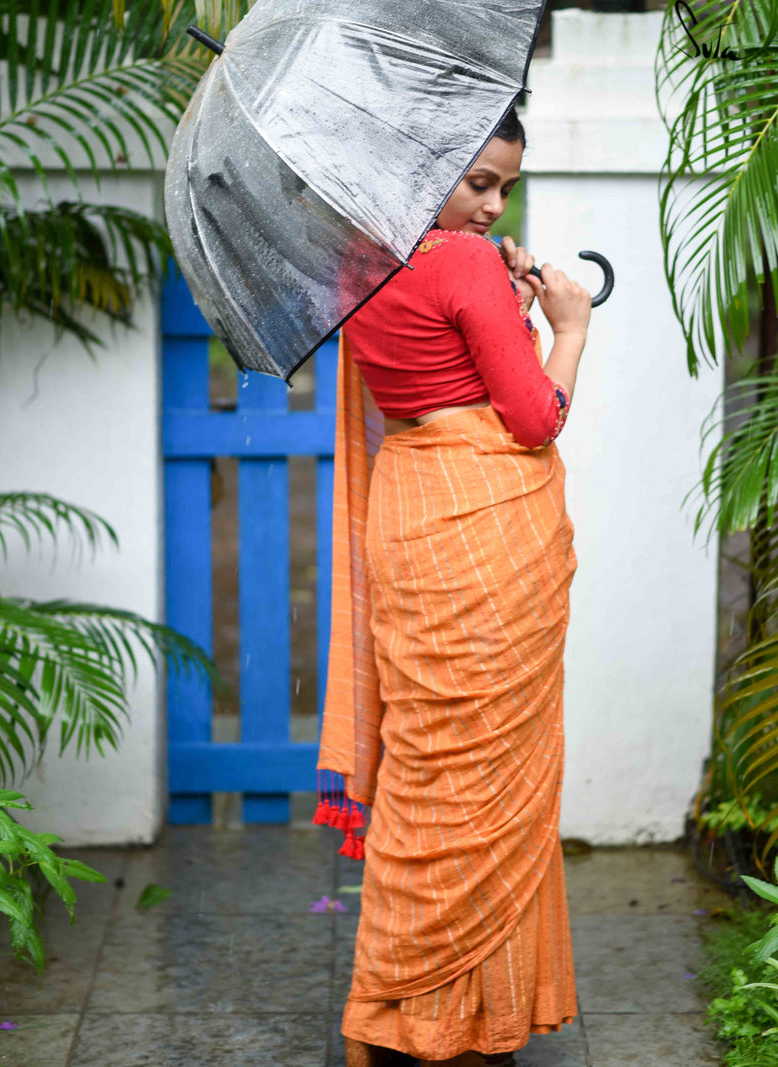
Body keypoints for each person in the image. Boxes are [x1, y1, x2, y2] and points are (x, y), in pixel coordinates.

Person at [316, 105, 592, 1067]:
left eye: (506, 185)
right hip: (484, 526)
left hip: (411, 513)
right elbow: (532, 414)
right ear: (422, 163)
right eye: (477, 180)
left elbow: (427, 372)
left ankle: (394, 1008)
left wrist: (498, 298)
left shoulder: (355, 266)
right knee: (486, 780)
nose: (494, 203)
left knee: (429, 769)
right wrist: (568, 324)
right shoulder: (468, 263)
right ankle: (468, 1025)